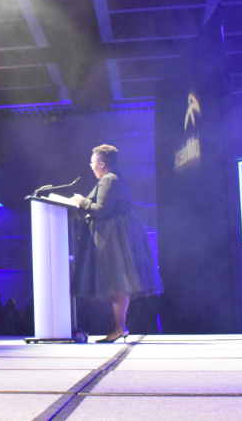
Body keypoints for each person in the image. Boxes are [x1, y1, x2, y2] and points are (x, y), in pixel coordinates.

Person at [70, 144, 163, 343]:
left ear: (102, 163)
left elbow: (102, 209)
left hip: (115, 234)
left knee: (118, 281)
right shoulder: (114, 178)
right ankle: (119, 327)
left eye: (93, 163)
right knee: (119, 282)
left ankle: (119, 327)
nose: (91, 166)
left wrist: (81, 202)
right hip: (121, 231)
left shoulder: (108, 179)